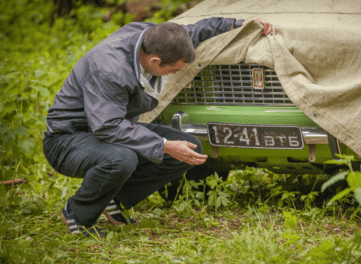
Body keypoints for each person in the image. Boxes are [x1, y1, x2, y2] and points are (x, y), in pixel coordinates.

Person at [43, 16, 275, 238]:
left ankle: (114, 200)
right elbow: (107, 128)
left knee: (190, 147)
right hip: (68, 140)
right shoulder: (109, 70)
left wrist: (239, 24)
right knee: (122, 158)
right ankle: (78, 213)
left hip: (110, 128)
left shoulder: (153, 39)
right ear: (155, 61)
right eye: (174, 70)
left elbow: (194, 30)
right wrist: (164, 145)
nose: (176, 73)